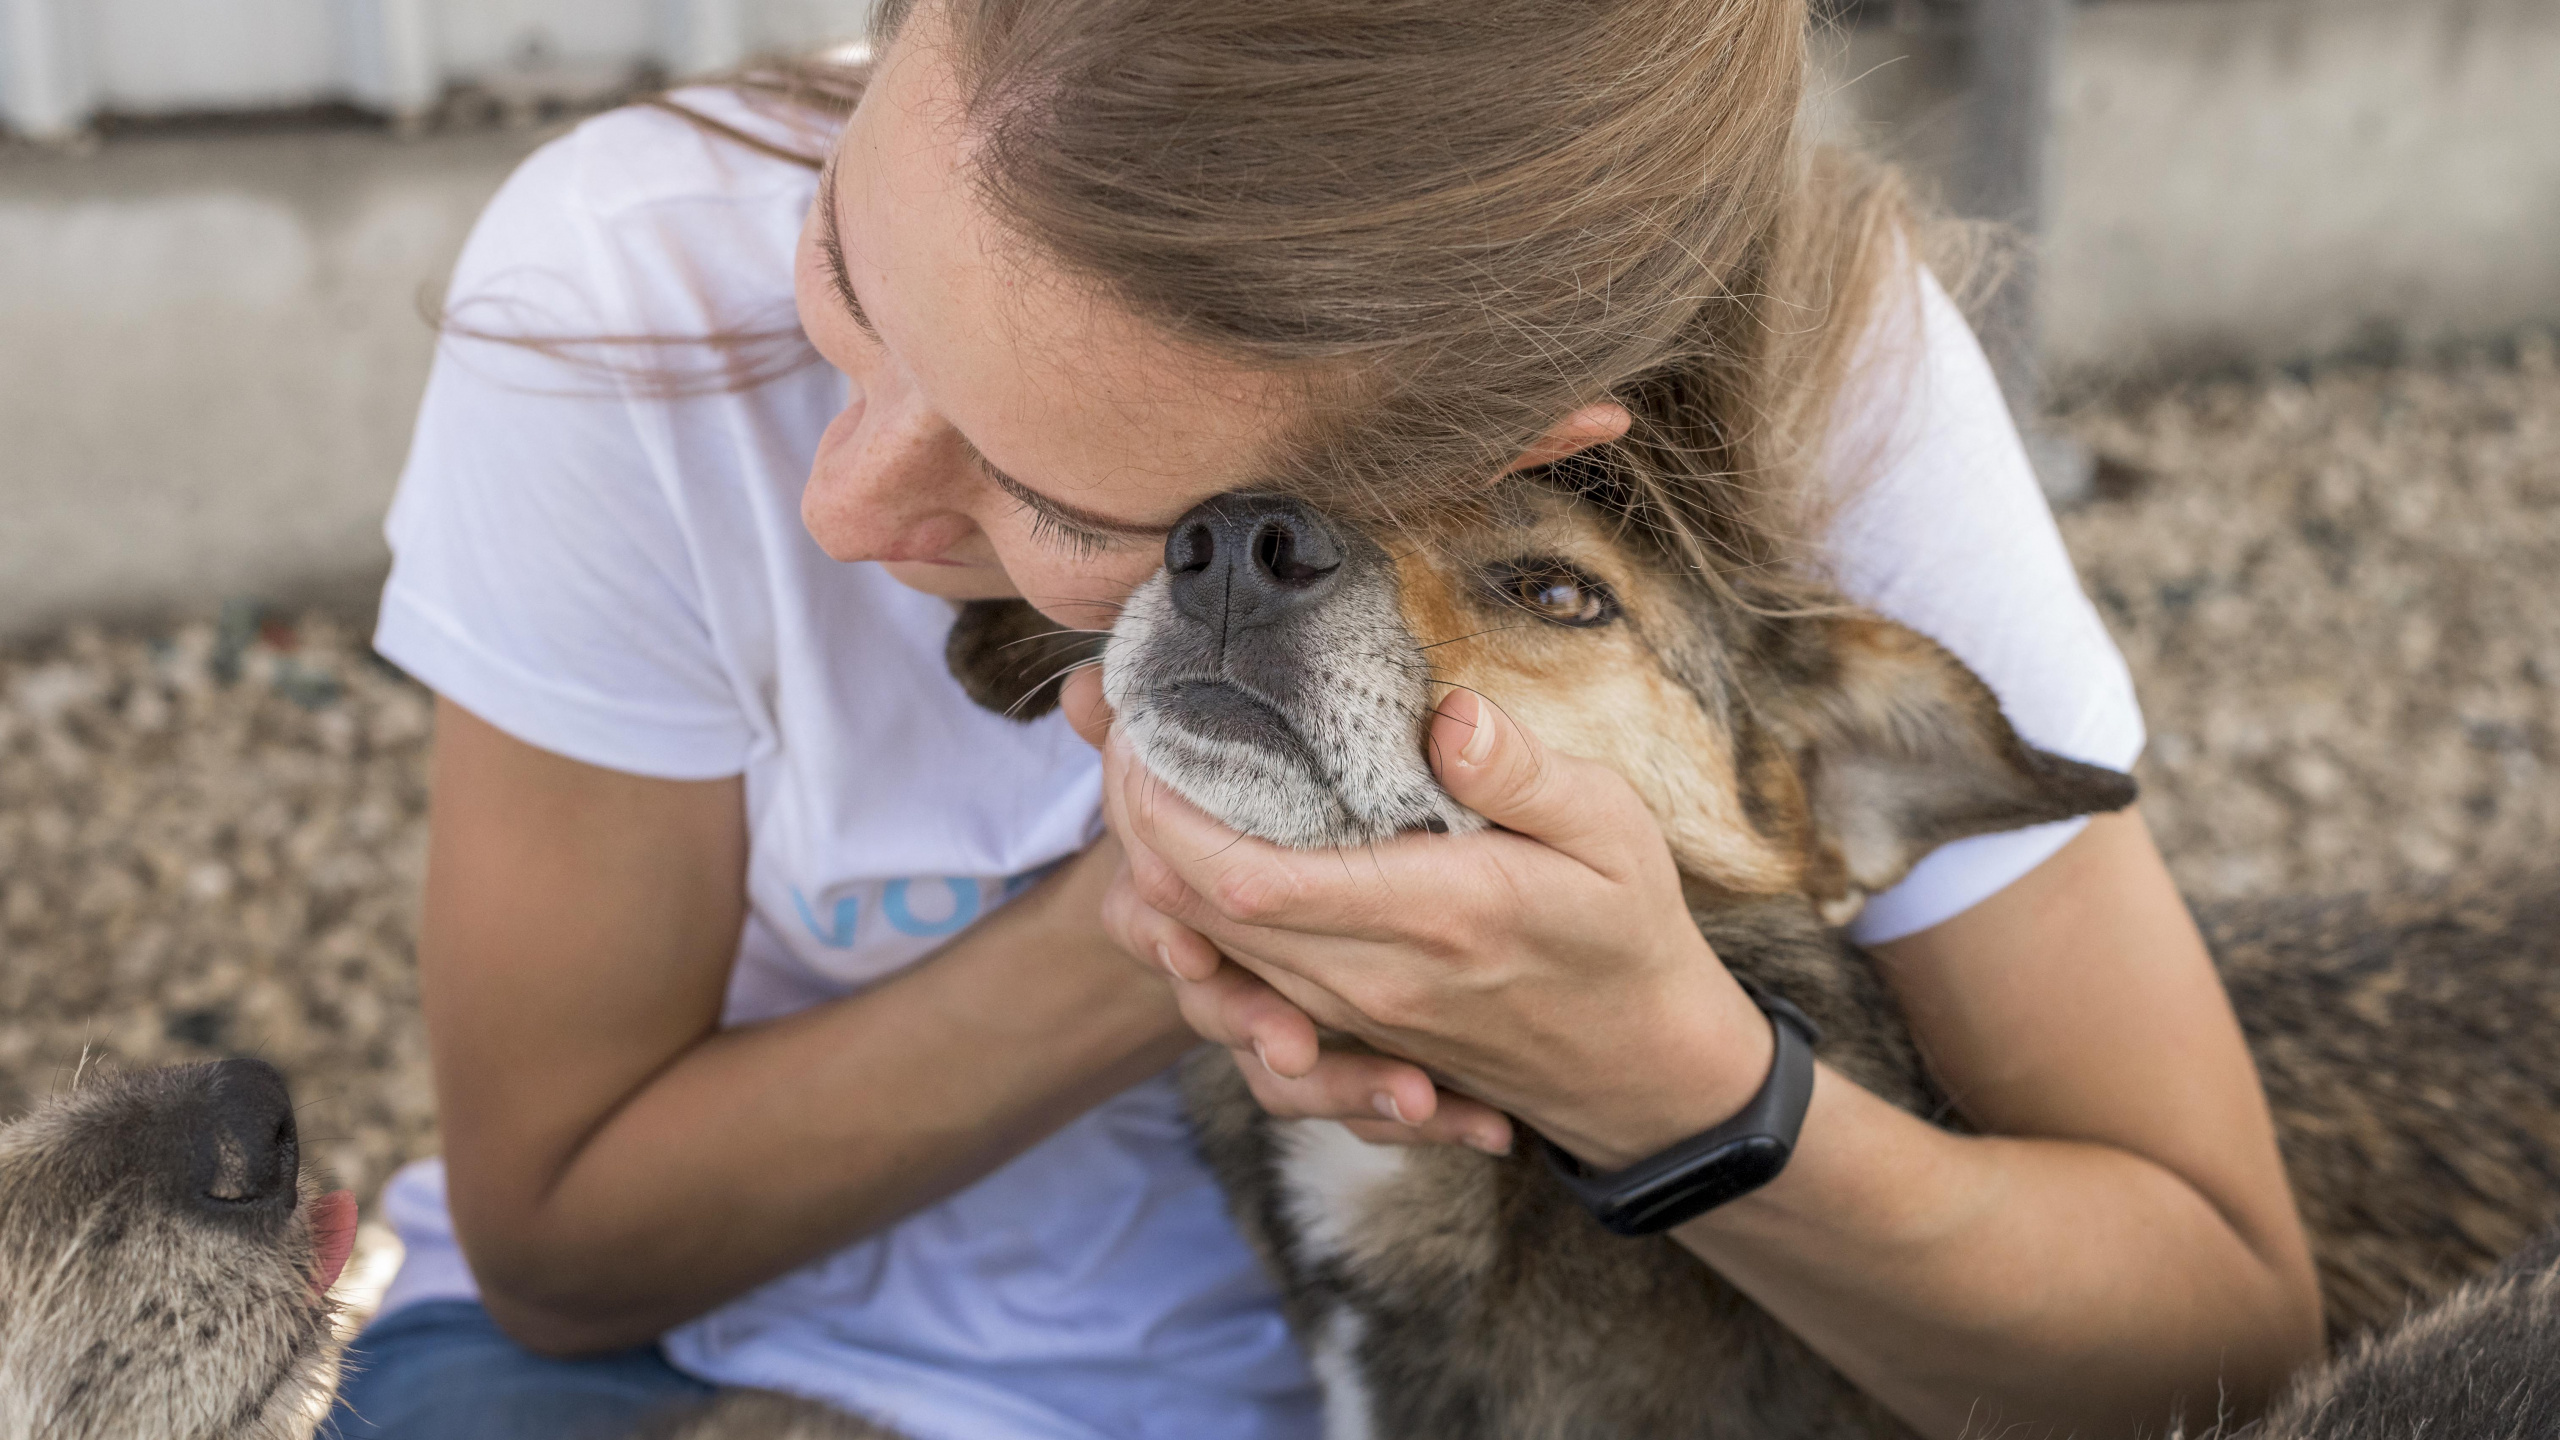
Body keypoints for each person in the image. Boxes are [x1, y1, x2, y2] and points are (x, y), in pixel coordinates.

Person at [329, 1, 2324, 1437]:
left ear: (1492, 459)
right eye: (851, 277)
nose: (841, 509)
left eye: (1080, 504)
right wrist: (1170, 922)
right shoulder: (623, 280)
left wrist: (1674, 1083)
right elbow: (560, 1252)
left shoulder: (1840, 388)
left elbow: (2212, 1346)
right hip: (662, 1366)